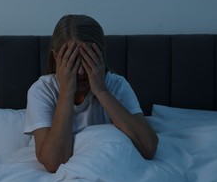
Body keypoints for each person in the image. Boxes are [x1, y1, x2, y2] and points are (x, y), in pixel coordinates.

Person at [24, 14, 158, 173]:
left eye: (87, 60)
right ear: (56, 57)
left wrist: (101, 91)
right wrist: (67, 91)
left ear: (101, 55)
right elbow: (53, 162)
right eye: (72, 61)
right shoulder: (42, 90)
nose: (80, 72)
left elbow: (148, 148)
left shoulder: (116, 84)